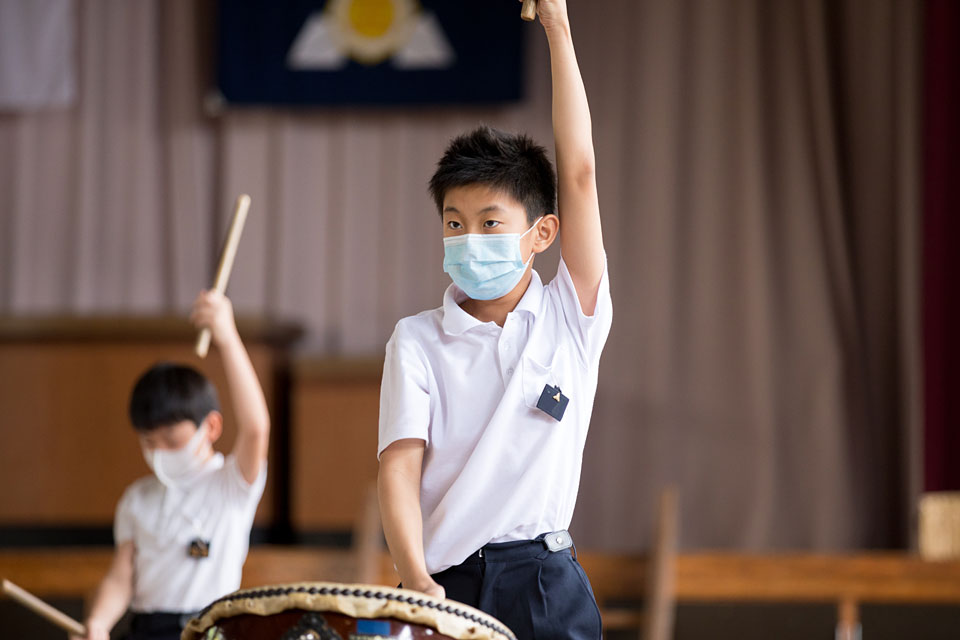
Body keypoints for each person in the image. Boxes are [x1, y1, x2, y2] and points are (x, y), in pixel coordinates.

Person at [377, 1, 610, 638]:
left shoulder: (571, 316)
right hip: (446, 582)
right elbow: (399, 468)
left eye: (489, 223)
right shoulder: (416, 341)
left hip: (546, 582)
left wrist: (558, 29)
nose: (468, 240)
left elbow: (580, 174)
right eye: (455, 224)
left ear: (542, 234)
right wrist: (415, 577)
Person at [72, 291, 270, 640]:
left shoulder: (231, 485)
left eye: (172, 440)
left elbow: (256, 428)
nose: (159, 451)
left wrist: (227, 337)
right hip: (147, 630)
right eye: (149, 442)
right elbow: (121, 577)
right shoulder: (137, 498)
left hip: (210, 629)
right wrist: (100, 621)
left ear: (211, 427)